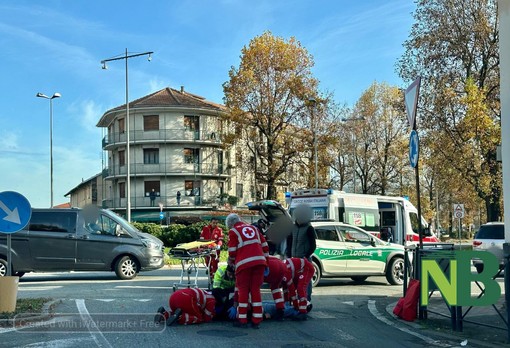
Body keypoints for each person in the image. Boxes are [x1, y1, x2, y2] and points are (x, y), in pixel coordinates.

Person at [226, 213, 269, 329]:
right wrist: (266, 261)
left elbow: (232, 252)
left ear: (230, 224)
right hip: (259, 262)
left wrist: (231, 264)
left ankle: (242, 319)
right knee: (255, 290)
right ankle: (257, 319)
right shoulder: (254, 228)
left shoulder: (233, 231)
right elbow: (265, 245)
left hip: (244, 264)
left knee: (243, 290)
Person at [286, 204, 316, 301]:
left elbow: (313, 245)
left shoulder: (309, 228)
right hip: (294, 259)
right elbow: (289, 242)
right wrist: (289, 255)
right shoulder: (292, 228)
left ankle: (306, 299)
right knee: (293, 280)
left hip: (304, 259)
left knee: (305, 281)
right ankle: (293, 299)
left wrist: (306, 256)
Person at [263, 256, 290, 321]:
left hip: (270, 266)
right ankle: (280, 310)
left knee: (254, 289)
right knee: (275, 288)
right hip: (281, 265)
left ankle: (258, 313)